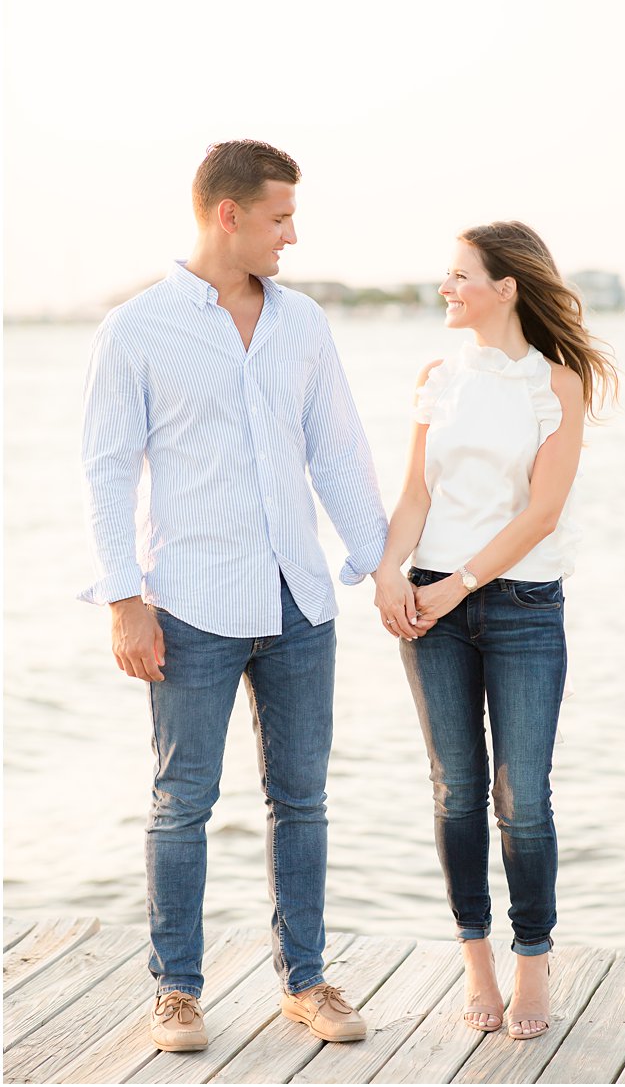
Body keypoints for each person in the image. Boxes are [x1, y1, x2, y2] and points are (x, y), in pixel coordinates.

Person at [80, 140, 386, 1052]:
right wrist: (122, 598)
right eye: (280, 217)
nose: (293, 235)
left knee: (303, 798)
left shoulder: (304, 324)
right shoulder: (134, 329)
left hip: (299, 601)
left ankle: (307, 982)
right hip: (190, 601)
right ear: (228, 214)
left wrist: (384, 570)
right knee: (183, 800)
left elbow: (337, 450)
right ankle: (177, 991)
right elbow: (104, 470)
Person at [371, 221, 616, 1039]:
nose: (446, 288)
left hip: (521, 607)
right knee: (455, 791)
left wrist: (457, 586)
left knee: (525, 799)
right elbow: (414, 496)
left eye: (459, 276)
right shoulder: (436, 375)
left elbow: (543, 511)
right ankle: (476, 966)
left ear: (506, 287)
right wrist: (388, 574)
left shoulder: (558, 382)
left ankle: (533, 966)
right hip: (427, 608)